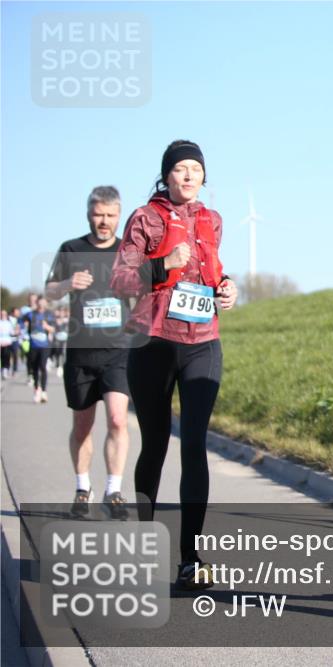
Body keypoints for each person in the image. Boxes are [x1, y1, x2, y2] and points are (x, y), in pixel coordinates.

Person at [111, 140, 237, 590]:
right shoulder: (146, 218)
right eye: (179, 169)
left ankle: (190, 557)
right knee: (156, 445)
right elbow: (121, 278)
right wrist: (163, 261)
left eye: (195, 170)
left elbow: (211, 272)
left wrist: (226, 287)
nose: (188, 176)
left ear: (204, 177)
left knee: (195, 446)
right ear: (166, 176)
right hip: (154, 343)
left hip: (203, 342)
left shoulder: (212, 220)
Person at [46, 186, 133, 520]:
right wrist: (68, 284)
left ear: (118, 215)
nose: (105, 221)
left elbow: (142, 290)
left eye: (111, 215)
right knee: (82, 426)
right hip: (81, 353)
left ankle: (114, 490)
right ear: (89, 213)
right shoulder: (71, 248)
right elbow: (49, 290)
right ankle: (83, 488)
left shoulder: (128, 249)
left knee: (116, 419)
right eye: (99, 214)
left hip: (118, 351)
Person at [26, 296, 56, 402]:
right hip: (33, 345)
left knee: (42, 366)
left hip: (45, 346)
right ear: (37, 303)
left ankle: (44, 391)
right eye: (39, 303)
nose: (41, 305)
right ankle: (36, 389)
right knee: (34, 368)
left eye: (43, 303)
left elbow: (53, 329)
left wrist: (47, 327)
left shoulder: (49, 314)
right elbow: (22, 323)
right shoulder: (31, 314)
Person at [0, 310, 13, 378]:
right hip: (1, 342)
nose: (3, 315)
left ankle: (6, 369)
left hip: (7, 342)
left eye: (4, 314)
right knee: (1, 357)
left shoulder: (9, 323)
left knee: (6, 357)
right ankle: (2, 369)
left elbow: (12, 332)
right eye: (2, 314)